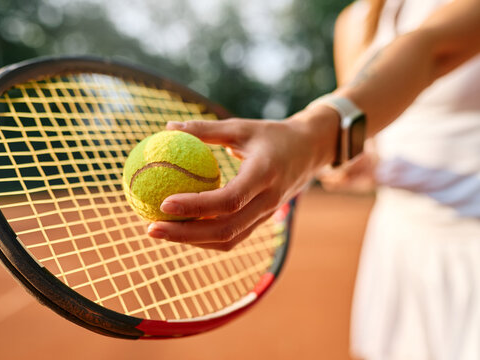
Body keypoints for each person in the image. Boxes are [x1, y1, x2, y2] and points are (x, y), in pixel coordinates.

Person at [148, 0, 480, 358]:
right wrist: (352, 162)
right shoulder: (353, 24)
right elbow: (360, 128)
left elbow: (427, 50)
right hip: (400, 240)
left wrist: (309, 141)